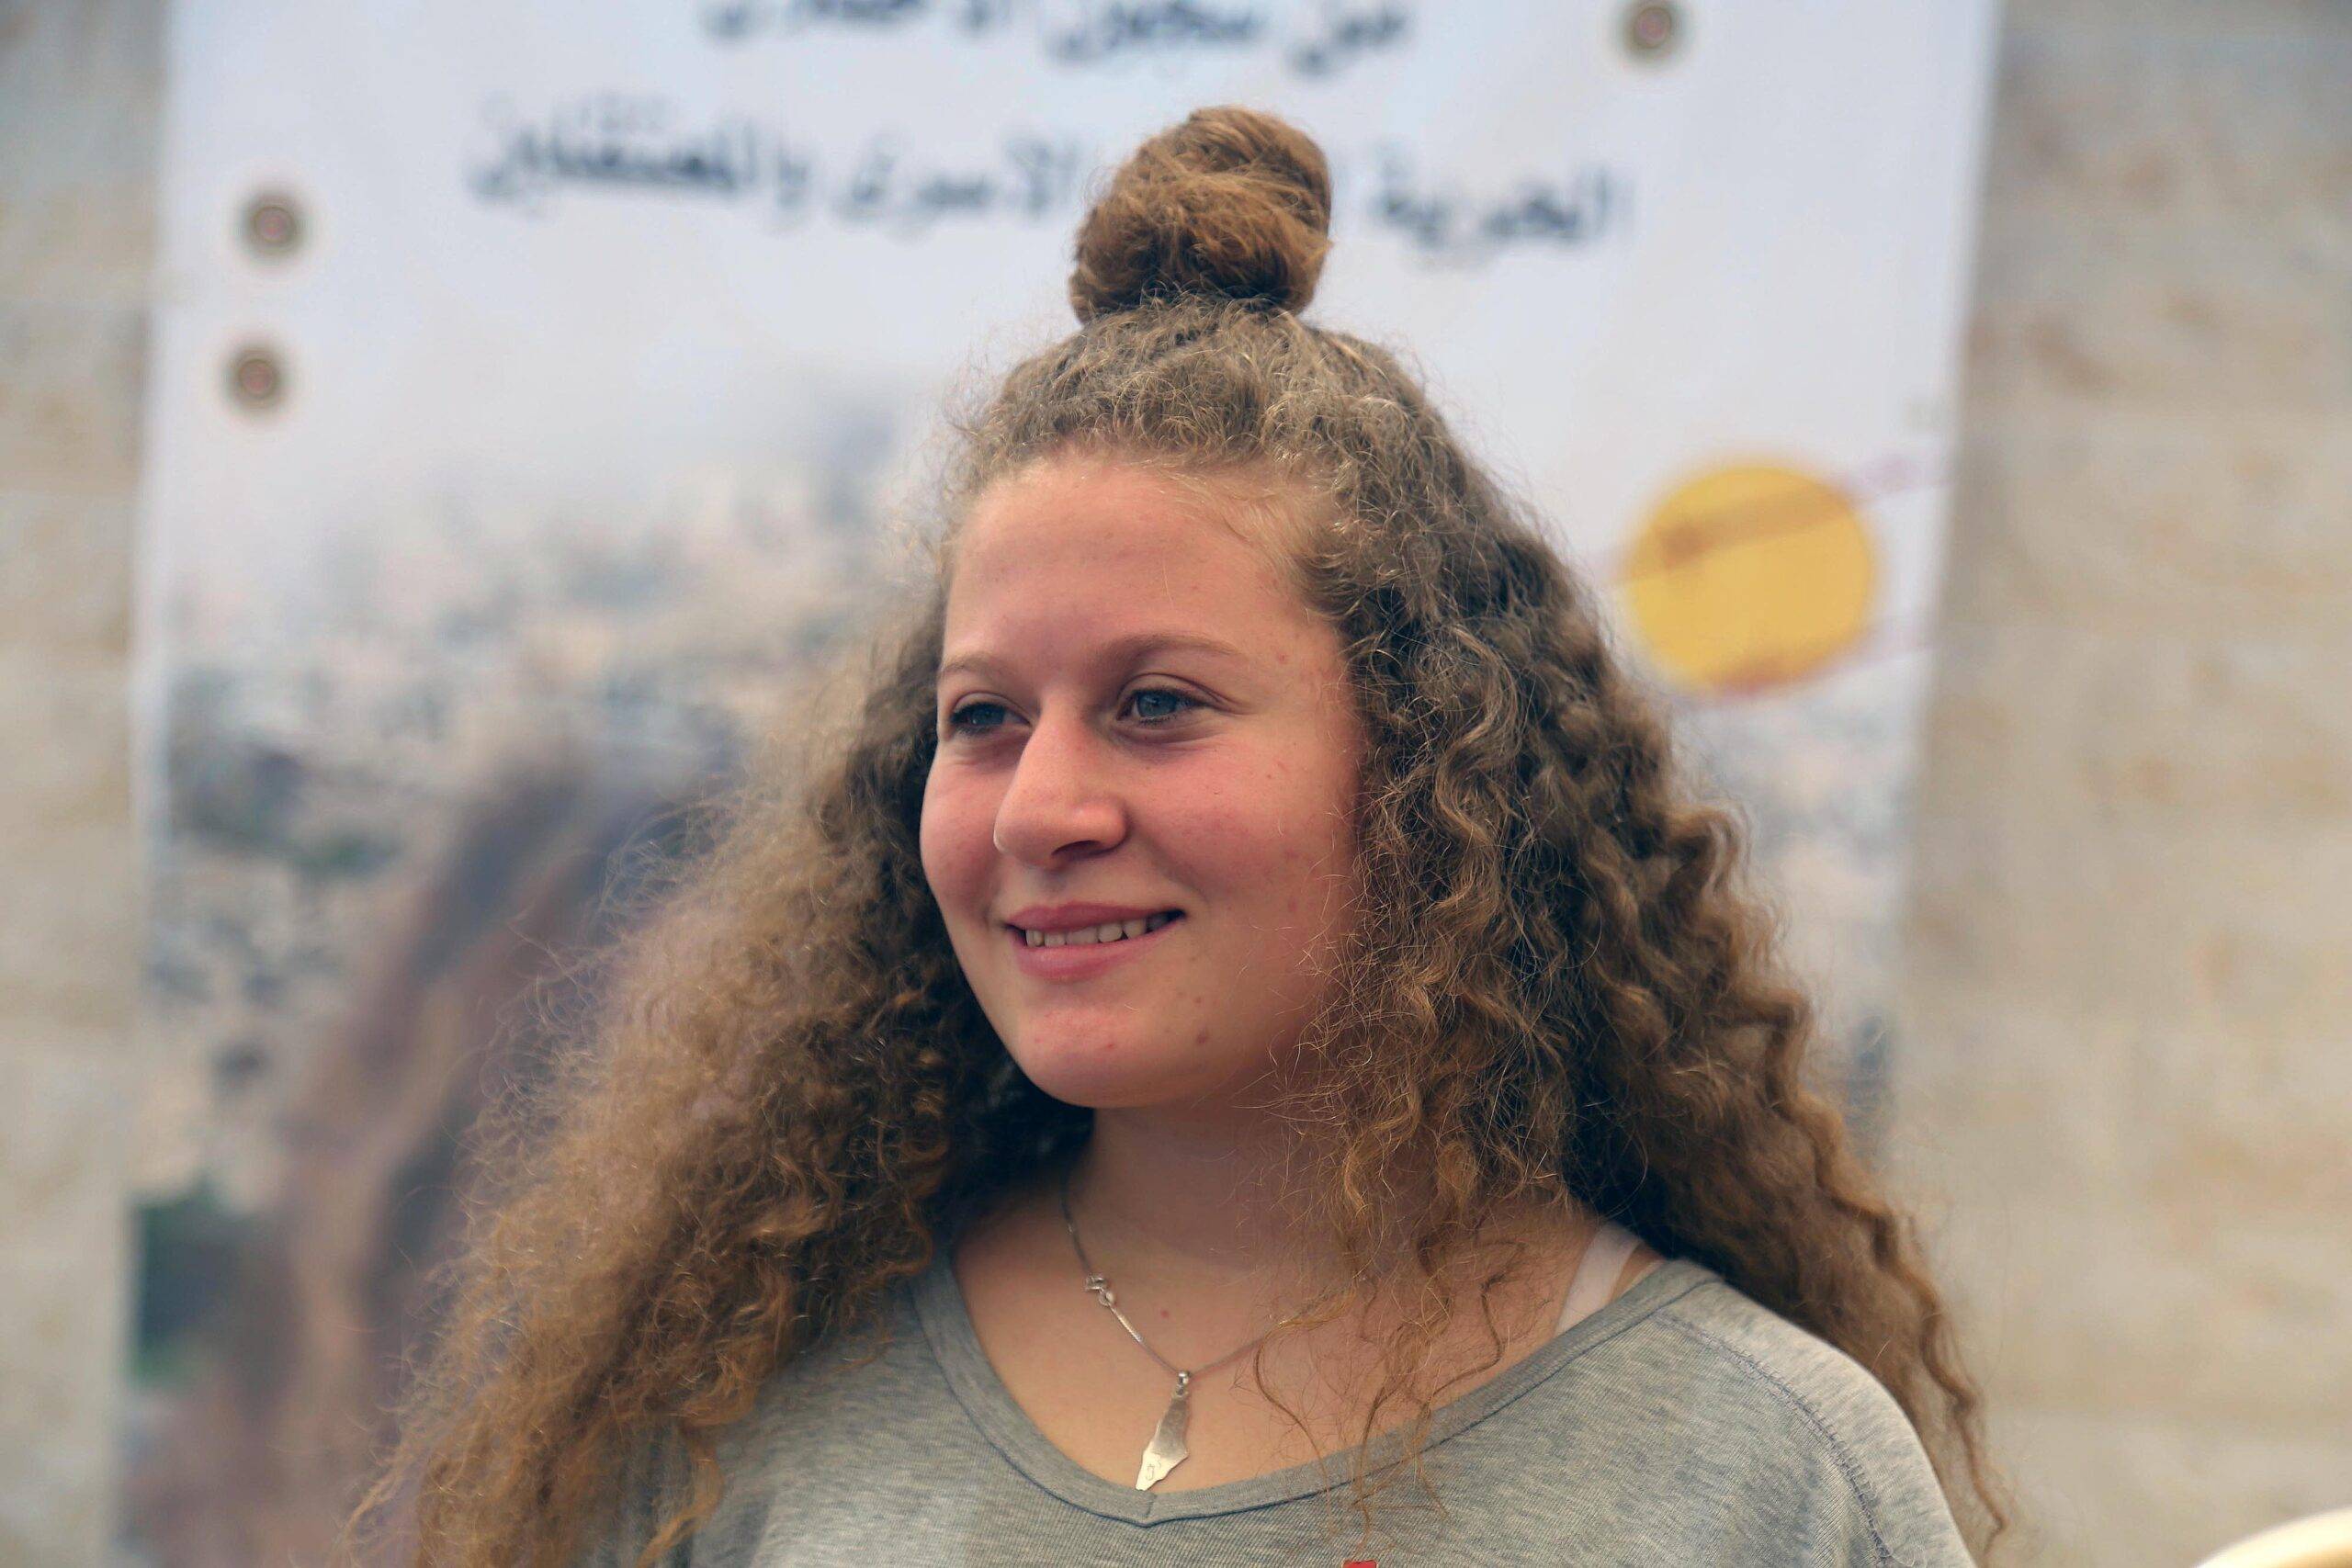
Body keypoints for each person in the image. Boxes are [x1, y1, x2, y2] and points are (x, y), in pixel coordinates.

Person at [350, 107, 2010, 1566]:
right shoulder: (744, 1398)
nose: (1042, 809)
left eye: (1157, 703)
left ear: (1429, 760)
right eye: (983, 718)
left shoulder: (1761, 1472)